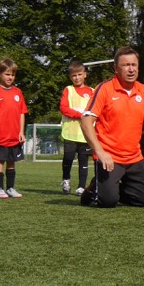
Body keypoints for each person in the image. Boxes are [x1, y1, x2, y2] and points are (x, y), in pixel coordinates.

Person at [80, 46, 144, 208]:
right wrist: (100, 152)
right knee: (108, 202)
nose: (131, 69)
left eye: (134, 65)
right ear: (116, 68)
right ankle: (94, 188)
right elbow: (86, 122)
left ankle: (112, 187)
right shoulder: (104, 89)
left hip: (134, 158)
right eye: (126, 65)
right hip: (109, 158)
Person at [0, 58, 28, 199]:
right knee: (0, 161)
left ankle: (10, 188)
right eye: (7, 74)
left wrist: (21, 132)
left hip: (14, 136)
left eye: (12, 75)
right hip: (0, 136)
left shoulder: (18, 92)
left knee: (11, 162)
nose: (10, 77)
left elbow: (22, 113)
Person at [59, 61, 94, 196]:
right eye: (74, 75)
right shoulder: (68, 90)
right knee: (68, 158)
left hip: (85, 134)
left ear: (85, 75)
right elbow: (64, 108)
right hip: (70, 133)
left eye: (79, 74)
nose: (77, 77)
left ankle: (81, 187)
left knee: (83, 160)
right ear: (70, 77)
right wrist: (81, 115)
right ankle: (66, 180)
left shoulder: (92, 91)